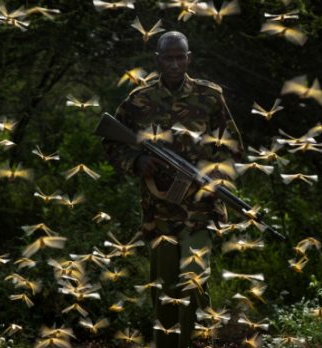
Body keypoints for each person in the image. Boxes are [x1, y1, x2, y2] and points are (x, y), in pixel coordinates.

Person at [103, 31, 243, 348]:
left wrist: (207, 170)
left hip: (200, 208)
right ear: (158, 60)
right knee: (164, 289)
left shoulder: (209, 96)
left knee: (194, 281)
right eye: (169, 58)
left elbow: (231, 146)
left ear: (189, 58)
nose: (175, 64)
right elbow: (111, 142)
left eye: (181, 57)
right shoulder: (139, 100)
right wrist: (137, 162)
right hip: (159, 211)